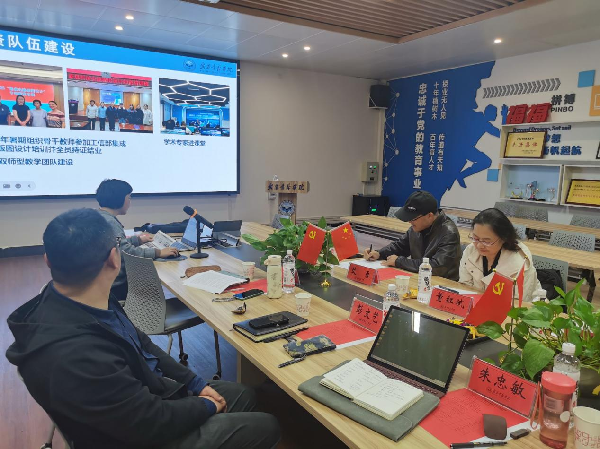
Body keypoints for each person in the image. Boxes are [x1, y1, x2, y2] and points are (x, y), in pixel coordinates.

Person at [5, 208, 281, 449]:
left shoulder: (84, 299)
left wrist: (195, 384)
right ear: (114, 259)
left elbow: (142, 344)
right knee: (266, 426)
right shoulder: (75, 353)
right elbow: (149, 422)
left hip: (143, 398)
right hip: (136, 436)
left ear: (47, 260)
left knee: (244, 394)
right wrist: (206, 405)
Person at [96, 179, 178, 301]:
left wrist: (137, 240)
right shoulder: (110, 223)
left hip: (103, 283)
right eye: (129, 198)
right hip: (116, 288)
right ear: (119, 199)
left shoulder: (99, 216)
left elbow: (114, 244)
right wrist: (158, 252)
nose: (130, 202)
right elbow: (125, 252)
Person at [364, 190, 462, 280]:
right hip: (419, 279)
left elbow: (438, 266)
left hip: (442, 285)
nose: (409, 221)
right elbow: (400, 246)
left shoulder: (449, 233)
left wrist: (399, 262)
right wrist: (379, 253)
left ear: (429, 216)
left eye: (413, 218)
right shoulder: (417, 228)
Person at [459, 208, 542, 301]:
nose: (479, 245)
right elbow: (464, 286)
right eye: (475, 238)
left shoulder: (520, 263)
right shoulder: (471, 250)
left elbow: (516, 303)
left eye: (486, 241)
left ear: (504, 238)